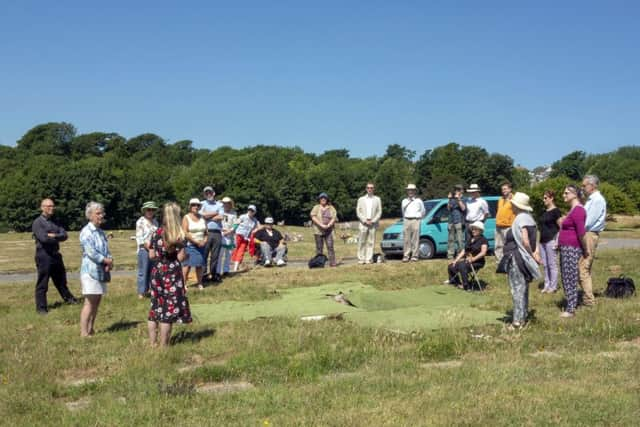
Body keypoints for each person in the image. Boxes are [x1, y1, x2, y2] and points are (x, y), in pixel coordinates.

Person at [148, 203, 192, 347]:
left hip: (157, 272)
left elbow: (152, 255)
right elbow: (180, 258)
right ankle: (164, 346)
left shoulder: (156, 233)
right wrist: (186, 256)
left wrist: (160, 260)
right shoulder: (177, 235)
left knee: (155, 307)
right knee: (169, 309)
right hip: (171, 273)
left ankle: (153, 343)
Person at [497, 192, 541, 329]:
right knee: (523, 289)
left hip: (518, 258)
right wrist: (535, 252)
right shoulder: (530, 218)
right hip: (524, 258)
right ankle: (523, 316)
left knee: (517, 289)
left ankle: (517, 321)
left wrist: (531, 253)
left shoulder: (520, 219)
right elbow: (534, 239)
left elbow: (525, 240)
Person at [32, 198, 78, 314]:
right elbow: (44, 239)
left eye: (52, 206)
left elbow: (65, 235)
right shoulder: (38, 222)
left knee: (61, 280)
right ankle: (41, 308)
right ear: (42, 207)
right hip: (44, 255)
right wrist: (56, 236)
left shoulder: (56, 221)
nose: (51, 208)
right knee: (43, 282)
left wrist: (53, 236)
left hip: (56, 255)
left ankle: (69, 299)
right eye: (48, 206)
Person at [79, 202, 113, 337]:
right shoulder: (86, 232)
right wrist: (105, 260)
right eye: (98, 213)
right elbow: (91, 252)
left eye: (102, 213)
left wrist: (110, 260)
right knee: (89, 302)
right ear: (90, 215)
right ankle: (83, 332)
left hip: (101, 272)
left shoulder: (100, 231)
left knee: (97, 301)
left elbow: (106, 249)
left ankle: (91, 328)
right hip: (90, 272)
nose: (101, 215)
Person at [558, 185, 589, 318]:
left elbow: (581, 232)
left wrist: (586, 249)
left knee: (570, 276)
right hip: (566, 247)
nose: (563, 195)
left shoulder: (578, 210)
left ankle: (571, 309)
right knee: (566, 276)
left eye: (566, 193)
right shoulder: (572, 210)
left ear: (574, 194)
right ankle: (570, 304)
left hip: (572, 248)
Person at [579, 175, 607, 306]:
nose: (582, 188)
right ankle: (586, 296)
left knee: (584, 267)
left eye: (584, 186)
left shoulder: (597, 200)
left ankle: (589, 300)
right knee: (582, 266)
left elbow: (588, 221)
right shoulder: (591, 199)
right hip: (587, 233)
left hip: (589, 234)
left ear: (592, 185)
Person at [446, 221, 488, 290]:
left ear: (480, 231)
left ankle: (466, 285)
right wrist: (456, 260)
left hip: (478, 262)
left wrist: (473, 259)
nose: (473, 231)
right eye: (472, 229)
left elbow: (483, 252)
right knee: (451, 266)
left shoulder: (483, 240)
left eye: (475, 229)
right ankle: (455, 282)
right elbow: (464, 251)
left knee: (462, 266)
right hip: (468, 260)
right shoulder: (470, 239)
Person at [539, 190, 562, 293]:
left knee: (552, 264)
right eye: (543, 198)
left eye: (545, 198)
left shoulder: (556, 211)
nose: (544, 200)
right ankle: (546, 285)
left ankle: (553, 286)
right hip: (542, 241)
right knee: (545, 264)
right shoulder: (544, 211)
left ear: (551, 198)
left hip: (551, 240)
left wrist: (557, 241)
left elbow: (561, 227)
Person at [200, 186, 224, 282]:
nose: (208, 194)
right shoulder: (201, 204)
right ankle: (204, 275)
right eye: (206, 193)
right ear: (204, 194)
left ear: (214, 193)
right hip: (206, 232)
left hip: (217, 232)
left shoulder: (219, 204)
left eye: (210, 192)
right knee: (204, 254)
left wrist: (207, 216)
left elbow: (221, 217)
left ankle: (213, 274)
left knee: (215, 255)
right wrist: (215, 213)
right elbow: (202, 216)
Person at [182, 198, 207, 290]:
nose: (196, 207)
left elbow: (206, 232)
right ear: (190, 206)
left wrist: (204, 240)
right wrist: (195, 242)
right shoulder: (186, 217)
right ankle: (184, 284)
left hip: (201, 245)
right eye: (193, 205)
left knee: (199, 265)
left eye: (197, 205)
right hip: (190, 244)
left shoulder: (202, 217)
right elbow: (185, 232)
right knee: (187, 265)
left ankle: (199, 283)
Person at [135, 201, 158, 299]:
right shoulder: (140, 222)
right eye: (148, 209)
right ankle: (141, 292)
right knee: (143, 271)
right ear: (144, 211)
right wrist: (150, 248)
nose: (150, 211)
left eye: (152, 210)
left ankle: (152, 290)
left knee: (153, 271)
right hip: (144, 250)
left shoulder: (156, 222)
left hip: (154, 250)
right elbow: (140, 239)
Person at [356, 182, 382, 264]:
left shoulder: (377, 199)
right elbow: (358, 211)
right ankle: (361, 258)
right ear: (366, 189)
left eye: (371, 188)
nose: (370, 189)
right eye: (368, 188)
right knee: (361, 241)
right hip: (363, 223)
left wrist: (373, 220)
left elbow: (379, 212)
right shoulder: (361, 199)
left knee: (371, 242)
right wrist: (364, 220)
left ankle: (368, 258)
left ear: (374, 189)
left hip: (373, 223)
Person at [311, 193, 338, 267]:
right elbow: (313, 216)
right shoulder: (316, 207)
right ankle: (319, 263)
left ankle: (332, 263)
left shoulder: (331, 208)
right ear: (319, 200)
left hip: (329, 230)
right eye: (321, 198)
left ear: (327, 199)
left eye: (324, 198)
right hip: (318, 230)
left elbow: (334, 217)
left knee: (330, 246)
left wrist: (329, 225)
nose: (323, 199)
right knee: (319, 248)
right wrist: (321, 225)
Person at [401, 184, 426, 262]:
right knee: (406, 239)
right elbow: (403, 211)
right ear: (407, 191)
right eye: (409, 190)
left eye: (412, 190)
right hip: (406, 220)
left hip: (416, 220)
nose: (410, 191)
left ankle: (415, 256)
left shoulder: (419, 201)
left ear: (415, 191)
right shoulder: (404, 201)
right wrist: (406, 218)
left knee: (415, 239)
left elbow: (423, 211)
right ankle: (406, 255)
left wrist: (418, 218)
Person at [231, 204, 260, 271]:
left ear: (255, 212)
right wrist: (232, 230)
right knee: (235, 250)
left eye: (252, 210)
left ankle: (236, 267)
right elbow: (236, 224)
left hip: (246, 238)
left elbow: (259, 227)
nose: (250, 211)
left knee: (241, 252)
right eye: (249, 210)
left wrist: (254, 231)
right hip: (238, 235)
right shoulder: (243, 216)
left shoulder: (255, 220)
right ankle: (233, 264)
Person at [495, 182, 515, 262]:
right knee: (498, 245)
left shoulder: (514, 199)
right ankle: (500, 260)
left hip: (508, 225)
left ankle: (508, 260)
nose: (503, 191)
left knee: (508, 244)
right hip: (498, 225)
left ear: (510, 189)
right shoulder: (500, 199)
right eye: (502, 189)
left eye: (505, 189)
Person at [217, 196, 237, 277]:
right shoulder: (219, 211)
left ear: (230, 204)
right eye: (224, 203)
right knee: (220, 254)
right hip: (221, 233)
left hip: (230, 235)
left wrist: (230, 231)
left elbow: (235, 224)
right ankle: (217, 271)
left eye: (227, 203)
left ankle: (226, 270)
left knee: (228, 254)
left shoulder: (234, 213)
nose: (226, 205)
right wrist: (221, 231)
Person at [446, 185, 466, 259]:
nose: (456, 191)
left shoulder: (463, 199)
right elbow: (448, 208)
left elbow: (463, 208)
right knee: (450, 239)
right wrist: (449, 199)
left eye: (458, 190)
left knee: (459, 239)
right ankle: (450, 254)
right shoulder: (452, 199)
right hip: (451, 221)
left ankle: (460, 254)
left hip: (459, 221)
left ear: (462, 191)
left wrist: (459, 199)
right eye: (455, 190)